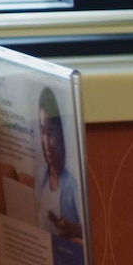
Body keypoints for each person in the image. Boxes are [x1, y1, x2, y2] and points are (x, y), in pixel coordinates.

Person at [34, 87, 84, 242]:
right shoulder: (40, 176)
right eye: (43, 132)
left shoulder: (72, 185)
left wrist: (72, 229)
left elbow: (89, 230)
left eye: (51, 133)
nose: (46, 143)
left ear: (60, 135)